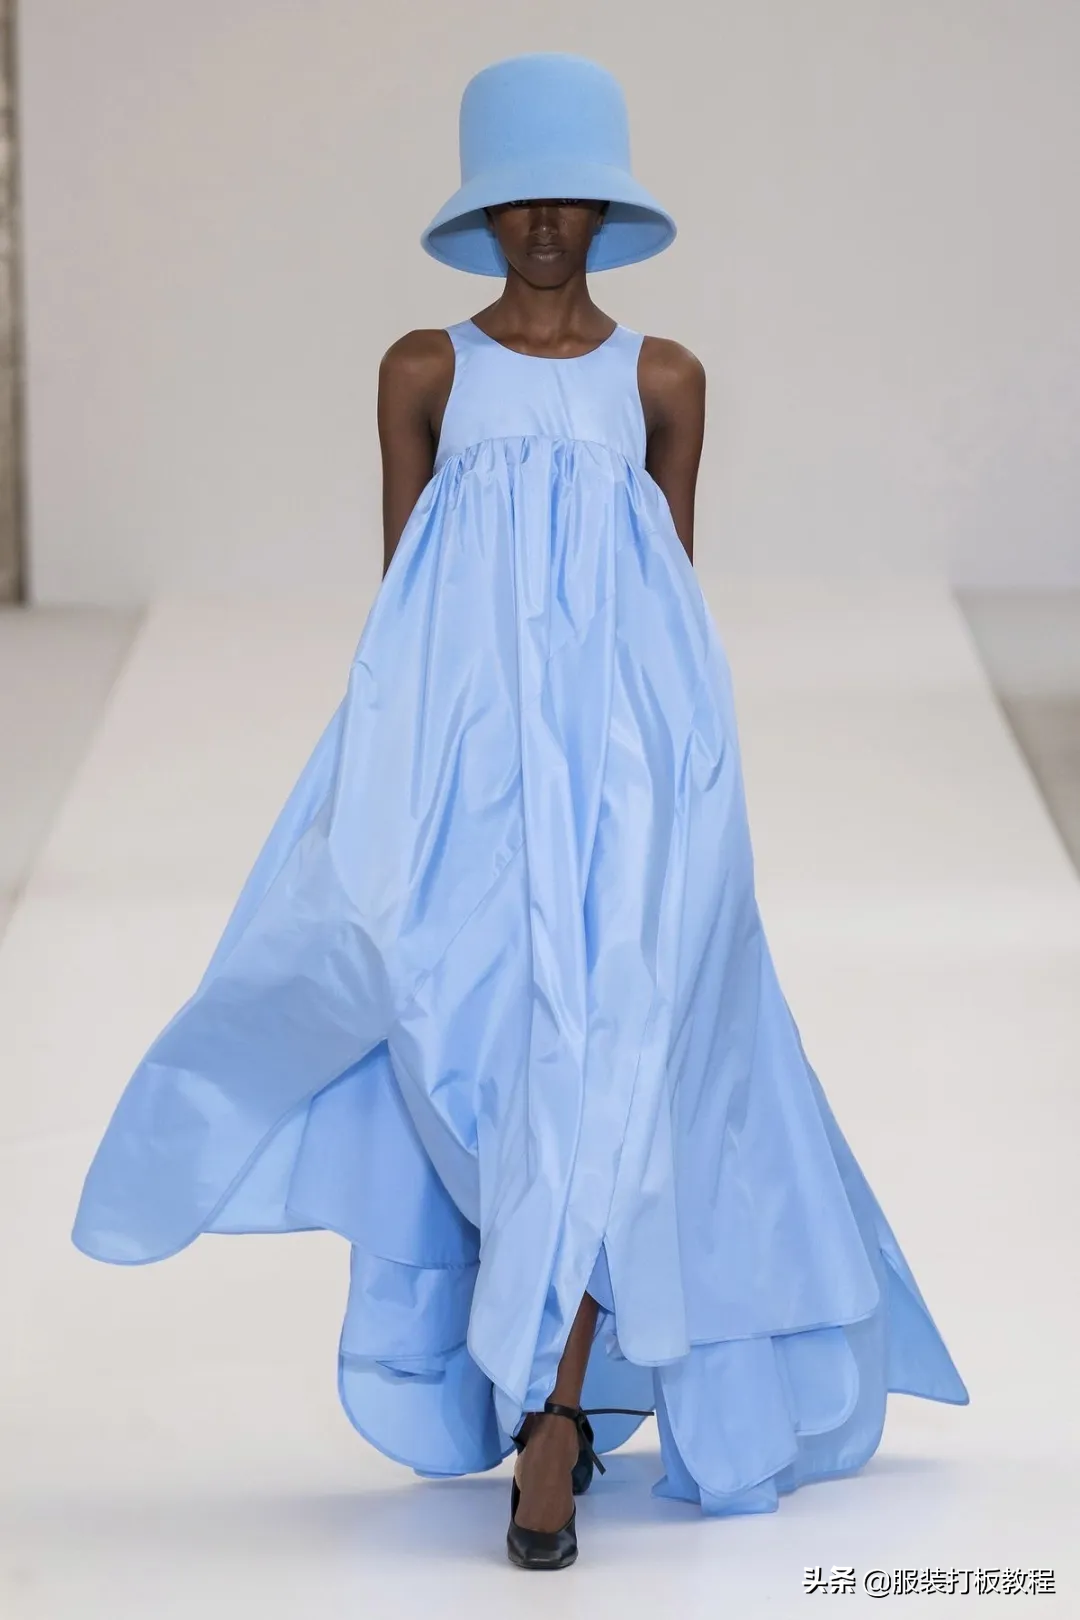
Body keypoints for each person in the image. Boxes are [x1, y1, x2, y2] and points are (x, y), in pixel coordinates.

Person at [72, 52, 968, 1572]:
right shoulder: (423, 371)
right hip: (477, 783)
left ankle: (554, 1419)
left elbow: (667, 604)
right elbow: (406, 604)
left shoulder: (663, 381)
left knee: (624, 1066)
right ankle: (548, 1368)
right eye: (516, 200)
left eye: (569, 199)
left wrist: (686, 801)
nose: (545, 224)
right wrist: (396, 791)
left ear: (607, 211)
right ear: (479, 214)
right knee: (485, 1062)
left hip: (636, 782)